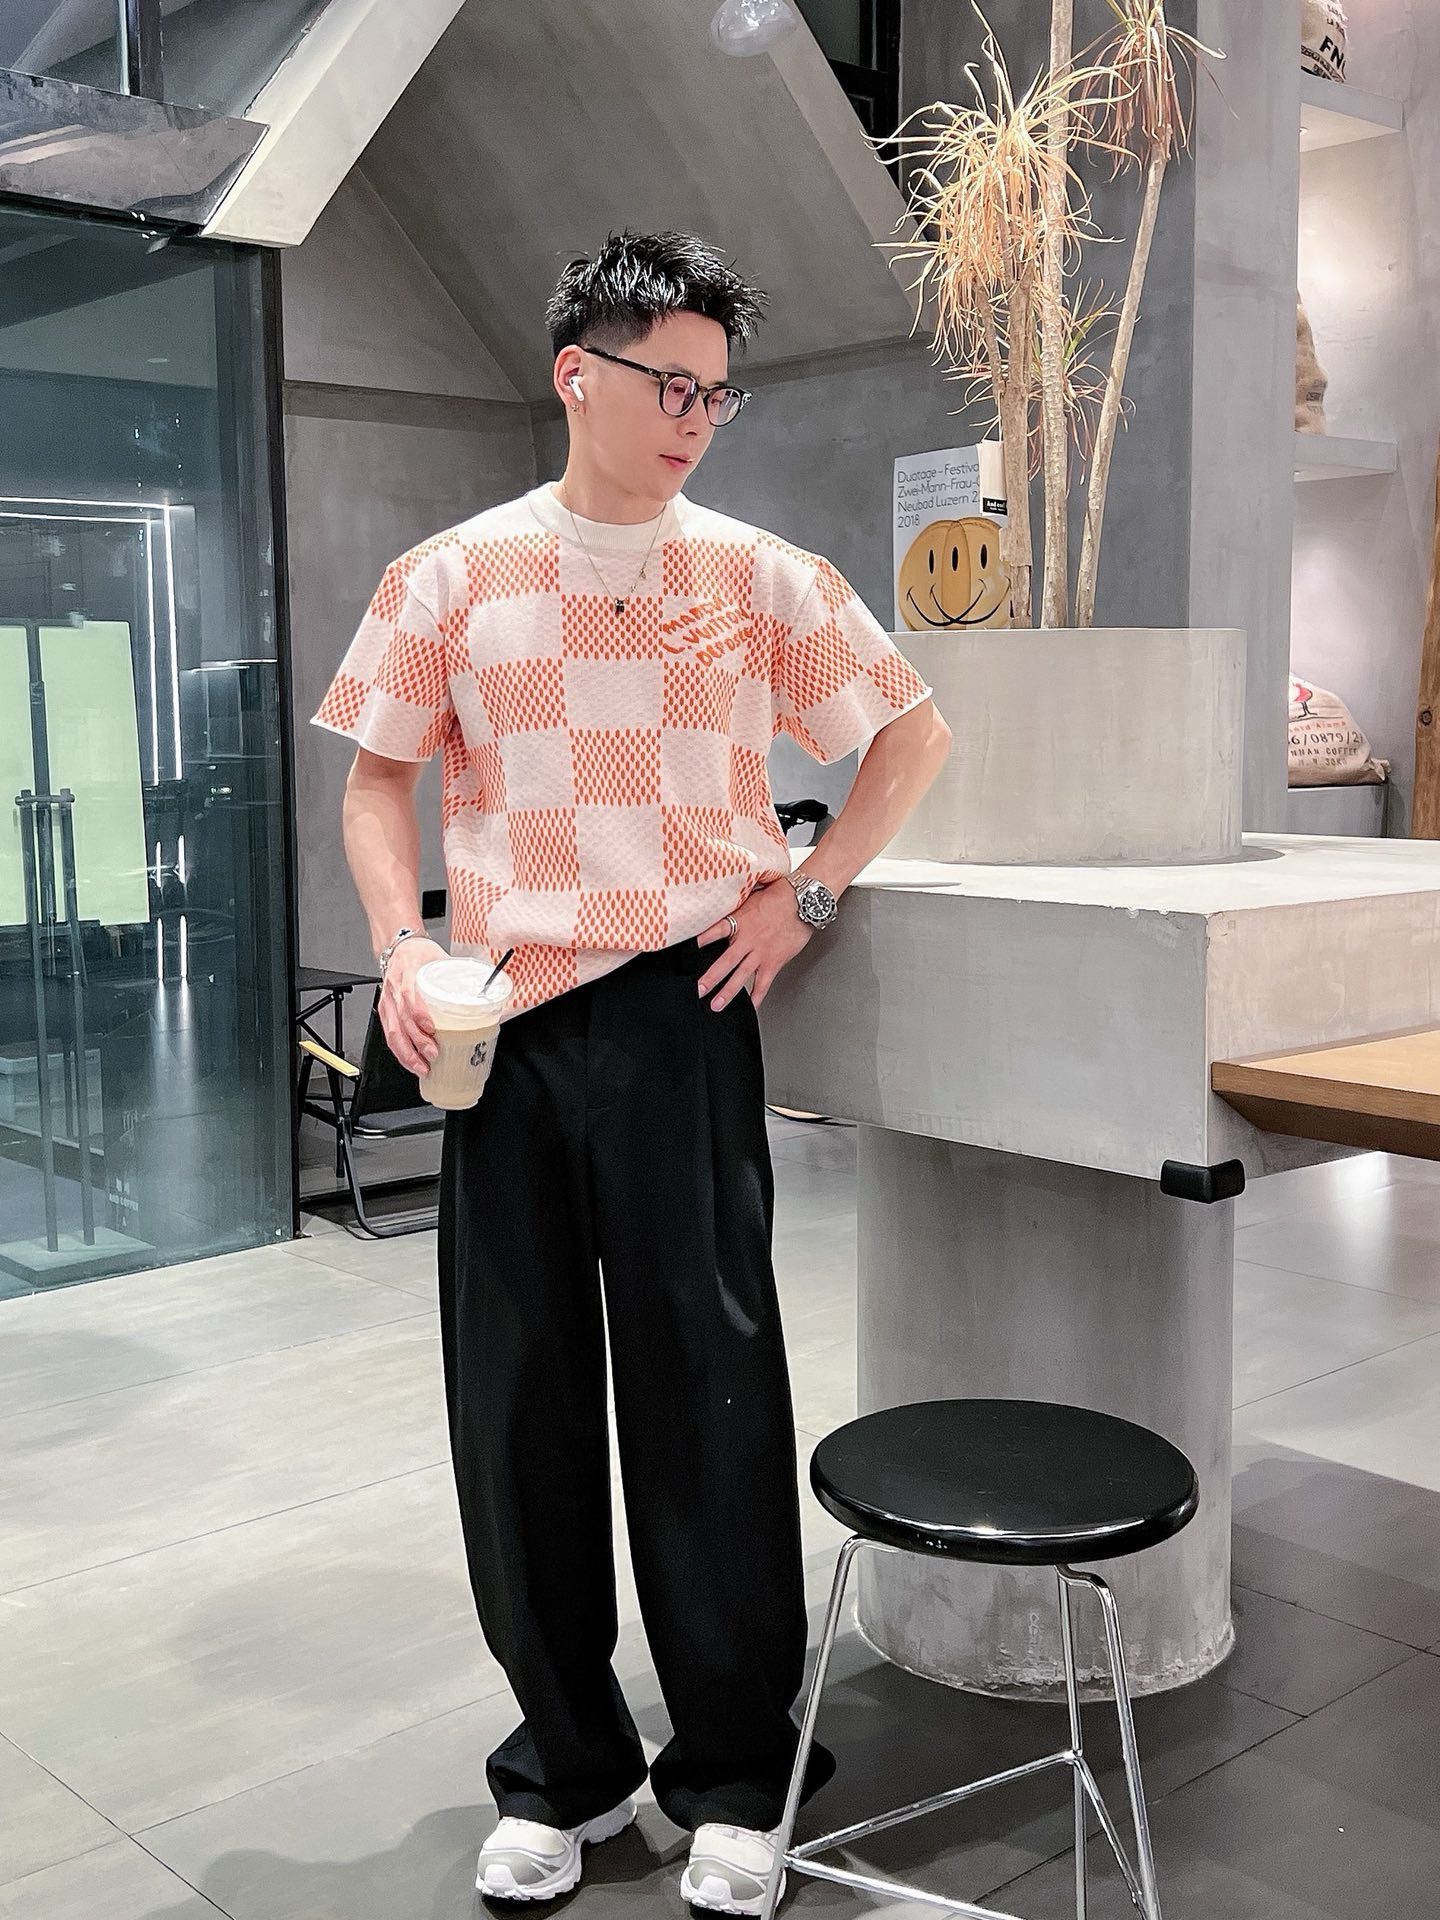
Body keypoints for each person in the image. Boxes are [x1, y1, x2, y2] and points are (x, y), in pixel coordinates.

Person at [313, 227, 951, 1915]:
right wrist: (398, 948)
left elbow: (912, 731)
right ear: (574, 374)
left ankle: (736, 1772)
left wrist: (808, 894)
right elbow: (376, 782)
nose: (695, 419)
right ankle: (568, 1767)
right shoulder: (451, 575)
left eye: (717, 394)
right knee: (513, 1394)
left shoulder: (759, 575)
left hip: (684, 1013)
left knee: (710, 1389)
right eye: (671, 384)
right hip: (507, 1021)